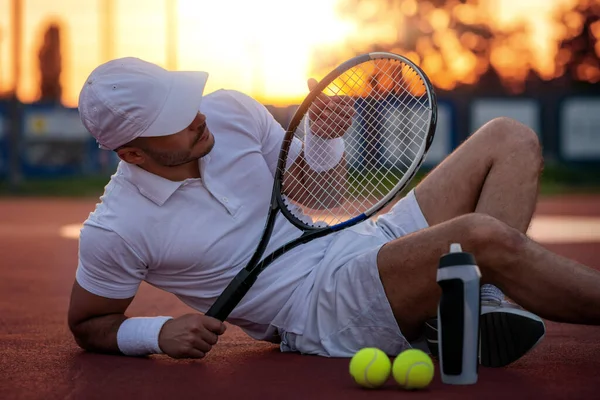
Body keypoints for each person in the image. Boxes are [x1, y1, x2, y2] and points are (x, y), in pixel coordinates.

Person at [68, 57, 600, 367]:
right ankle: (470, 291)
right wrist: (155, 333)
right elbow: (88, 322)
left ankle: (476, 299)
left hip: (362, 242)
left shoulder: (229, 111)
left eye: (186, 100)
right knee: (481, 238)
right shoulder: (116, 229)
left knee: (508, 138)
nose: (196, 116)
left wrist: (323, 138)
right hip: (319, 309)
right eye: (175, 120)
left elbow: (316, 197)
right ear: (132, 153)